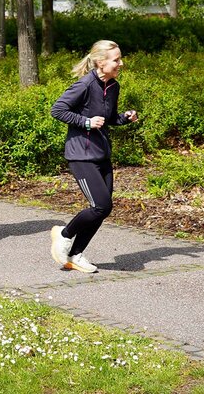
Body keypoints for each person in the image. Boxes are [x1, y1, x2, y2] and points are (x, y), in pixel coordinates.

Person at [49, 40, 139, 273]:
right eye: (116, 59)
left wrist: (124, 117)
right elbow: (57, 110)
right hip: (81, 154)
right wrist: (86, 122)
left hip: (101, 153)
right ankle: (64, 234)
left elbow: (108, 119)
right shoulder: (85, 84)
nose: (121, 63)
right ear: (101, 62)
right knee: (100, 205)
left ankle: (75, 254)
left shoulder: (113, 86)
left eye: (120, 58)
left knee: (104, 208)